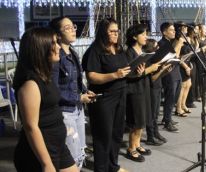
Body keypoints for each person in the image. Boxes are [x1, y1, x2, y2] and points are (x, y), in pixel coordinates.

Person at [13, 27, 77, 172]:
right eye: (54, 43)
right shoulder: (30, 84)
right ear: (41, 49)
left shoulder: (44, 75)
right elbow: (31, 127)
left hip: (57, 144)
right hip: (41, 151)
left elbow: (48, 110)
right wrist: (46, 164)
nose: (59, 47)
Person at [82, 18, 130, 172]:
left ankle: (112, 165)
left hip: (120, 93)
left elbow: (125, 70)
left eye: (117, 31)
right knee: (103, 136)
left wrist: (136, 69)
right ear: (103, 32)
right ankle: (101, 168)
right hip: (104, 98)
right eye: (112, 31)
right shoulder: (95, 50)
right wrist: (115, 75)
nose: (116, 34)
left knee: (116, 134)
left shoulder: (119, 48)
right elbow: (92, 76)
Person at [50, 17, 96, 169]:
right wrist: (79, 97)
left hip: (77, 108)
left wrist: (85, 90)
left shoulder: (73, 52)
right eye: (67, 28)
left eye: (73, 27)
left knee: (80, 149)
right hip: (65, 112)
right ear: (57, 34)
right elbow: (54, 90)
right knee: (71, 154)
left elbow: (76, 80)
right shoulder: (56, 57)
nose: (73, 30)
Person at [125, 24, 160, 162]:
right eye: (143, 34)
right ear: (134, 36)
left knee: (143, 118)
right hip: (134, 90)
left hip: (143, 88)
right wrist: (148, 70)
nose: (146, 37)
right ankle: (131, 148)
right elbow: (129, 75)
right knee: (136, 120)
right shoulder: (129, 53)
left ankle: (137, 144)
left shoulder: (142, 51)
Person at [159, 22, 184, 132]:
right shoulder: (162, 43)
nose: (174, 32)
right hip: (169, 74)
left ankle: (167, 117)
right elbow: (173, 55)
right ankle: (167, 122)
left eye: (174, 30)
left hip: (176, 72)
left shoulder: (170, 42)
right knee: (170, 98)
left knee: (175, 97)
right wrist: (179, 44)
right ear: (164, 32)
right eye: (171, 30)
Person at [144, 39, 170, 145]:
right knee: (151, 114)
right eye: (156, 46)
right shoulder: (148, 60)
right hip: (151, 88)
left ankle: (156, 133)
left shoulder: (155, 60)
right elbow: (152, 78)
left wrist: (164, 71)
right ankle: (150, 136)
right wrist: (162, 71)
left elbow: (158, 76)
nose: (158, 48)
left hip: (158, 87)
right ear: (151, 48)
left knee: (155, 114)